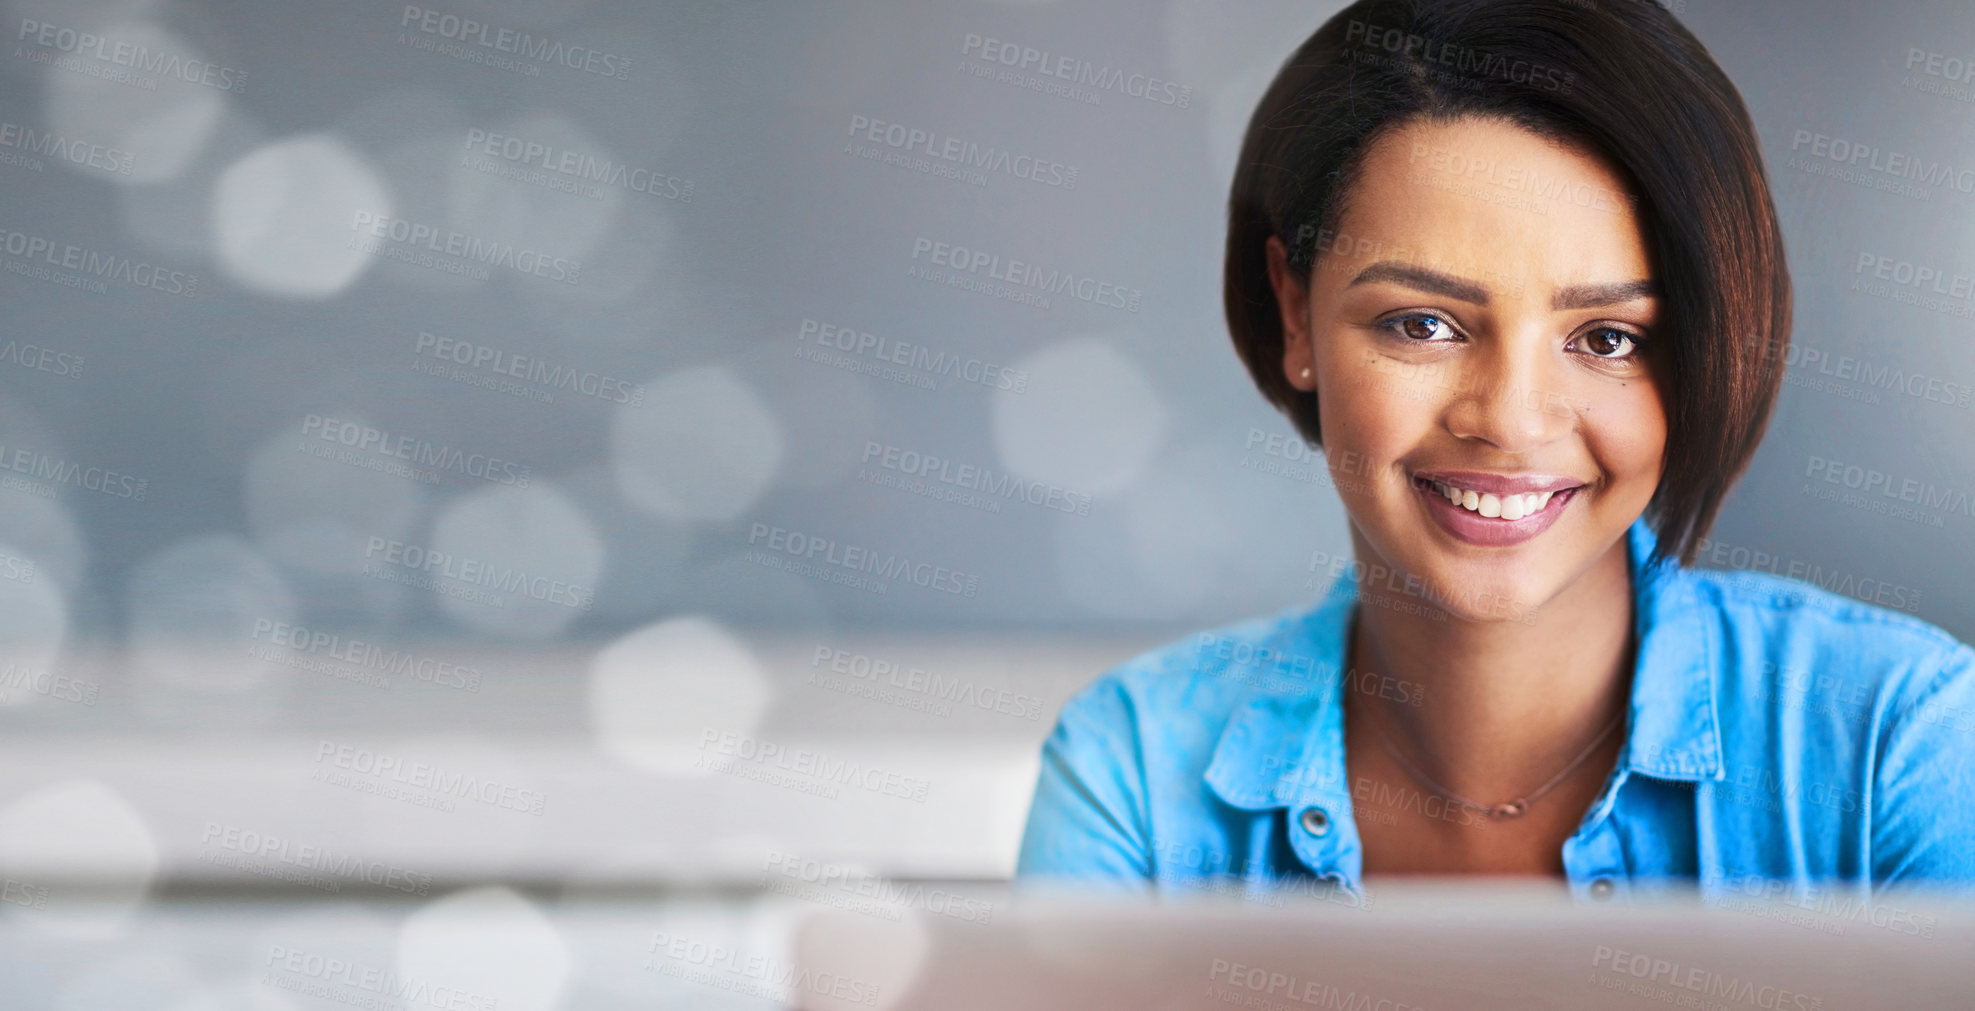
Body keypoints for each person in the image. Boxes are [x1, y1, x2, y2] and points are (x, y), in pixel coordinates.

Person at [1015, 0, 1975, 904]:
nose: (1511, 421)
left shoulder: (1903, 741)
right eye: (1423, 323)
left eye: (1607, 338)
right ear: (1293, 313)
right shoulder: (1131, 776)